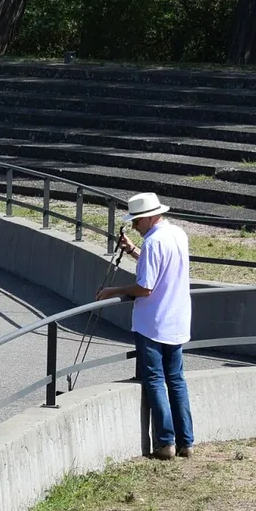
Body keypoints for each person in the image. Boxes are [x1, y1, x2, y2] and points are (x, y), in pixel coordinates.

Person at [97, 192, 194, 459]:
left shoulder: (153, 242)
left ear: (149, 217)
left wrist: (112, 290)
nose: (135, 227)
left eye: (137, 221)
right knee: (176, 380)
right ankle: (186, 441)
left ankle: (165, 443)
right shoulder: (177, 234)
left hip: (152, 322)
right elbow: (161, 268)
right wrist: (132, 251)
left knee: (155, 379)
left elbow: (145, 287)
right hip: (177, 319)